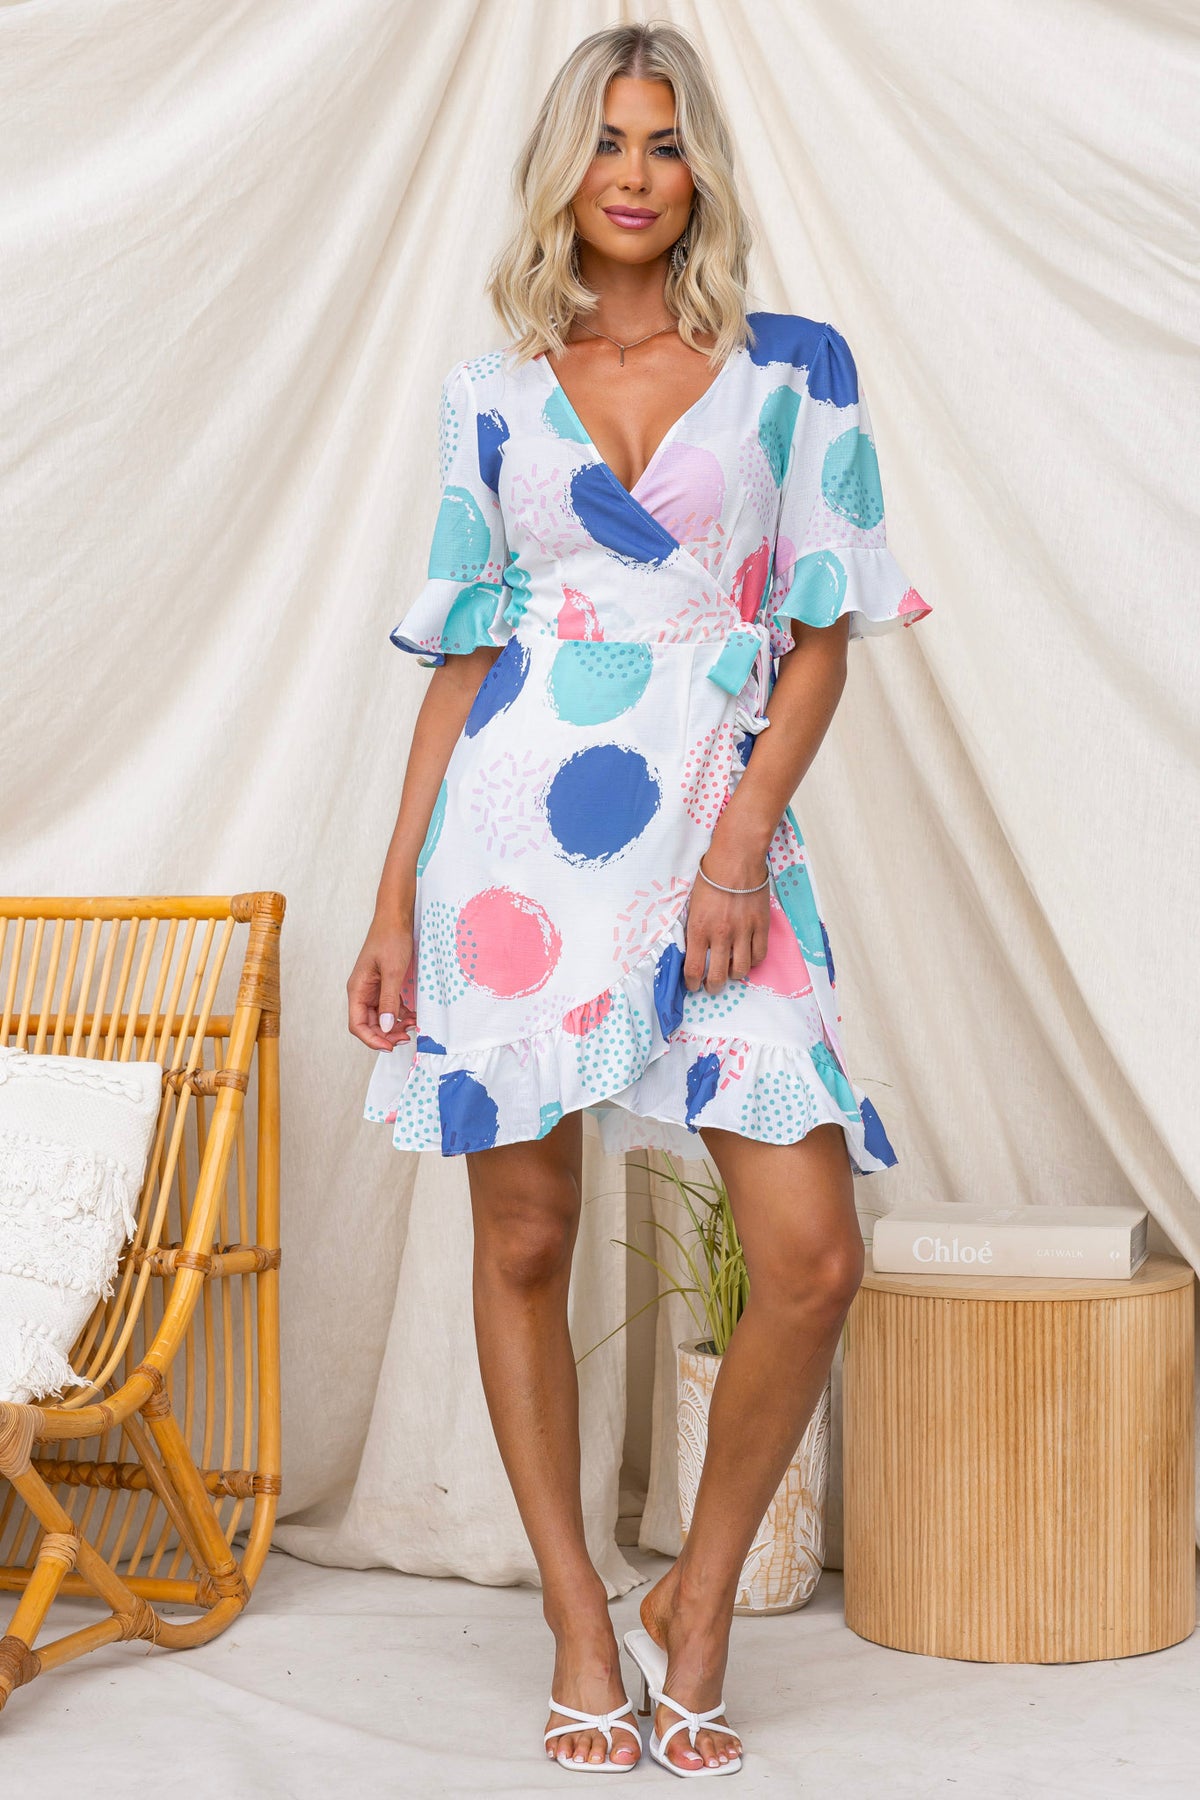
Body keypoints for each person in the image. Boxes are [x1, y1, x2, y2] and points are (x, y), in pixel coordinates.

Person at [348, 19, 932, 1779]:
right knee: (524, 1239)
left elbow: (821, 634)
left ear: (700, 172)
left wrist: (741, 844)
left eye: (665, 142)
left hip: (714, 849)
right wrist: (392, 901)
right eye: (606, 140)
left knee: (810, 1257)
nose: (633, 171)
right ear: (562, 168)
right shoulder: (490, 395)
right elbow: (463, 659)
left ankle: (696, 1597)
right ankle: (578, 1621)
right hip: (511, 855)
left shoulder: (792, 371)